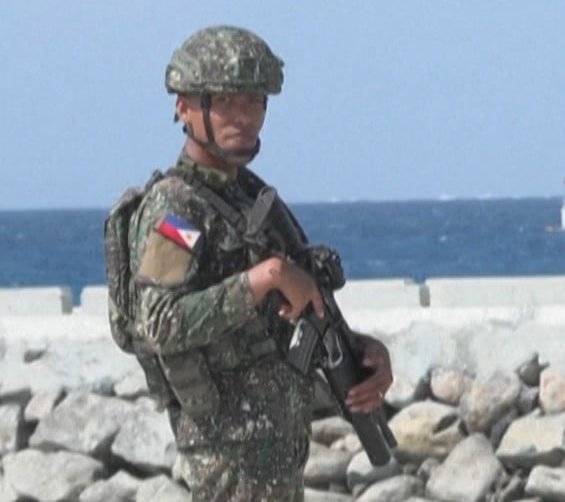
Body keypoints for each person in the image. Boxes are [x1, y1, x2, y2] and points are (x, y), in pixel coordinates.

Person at [118, 26, 393, 500]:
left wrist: (363, 356)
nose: (244, 117)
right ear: (185, 106)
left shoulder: (252, 198)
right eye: (227, 102)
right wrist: (265, 279)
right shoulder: (177, 210)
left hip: (278, 446)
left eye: (255, 102)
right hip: (229, 455)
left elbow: (302, 318)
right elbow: (159, 321)